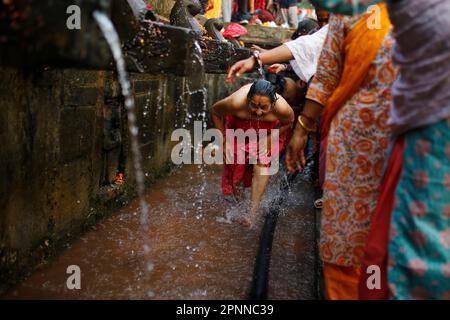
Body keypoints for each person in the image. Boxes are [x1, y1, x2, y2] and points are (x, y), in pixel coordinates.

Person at [285, 3, 396, 299]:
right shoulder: (349, 10)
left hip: (421, 144)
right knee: (348, 244)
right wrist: (302, 127)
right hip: (354, 147)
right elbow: (327, 73)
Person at [211, 80, 294, 227]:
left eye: (264, 107)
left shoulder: (282, 108)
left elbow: (289, 122)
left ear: (273, 104)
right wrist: (223, 142)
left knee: (262, 160)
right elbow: (215, 111)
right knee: (235, 164)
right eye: (254, 106)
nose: (258, 112)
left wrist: (271, 138)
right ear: (248, 99)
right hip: (238, 129)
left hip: (268, 132)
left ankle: (252, 213)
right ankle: (241, 206)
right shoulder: (236, 103)